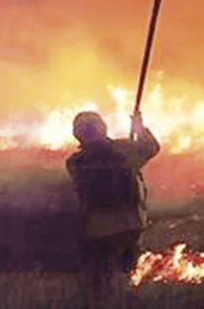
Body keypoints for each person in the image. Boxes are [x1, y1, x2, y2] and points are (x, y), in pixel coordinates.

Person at [65, 110, 160, 293]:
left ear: (77, 135)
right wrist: (139, 127)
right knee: (126, 275)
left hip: (96, 230)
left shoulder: (74, 162)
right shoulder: (125, 150)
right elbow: (151, 147)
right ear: (103, 128)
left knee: (98, 280)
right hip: (130, 225)